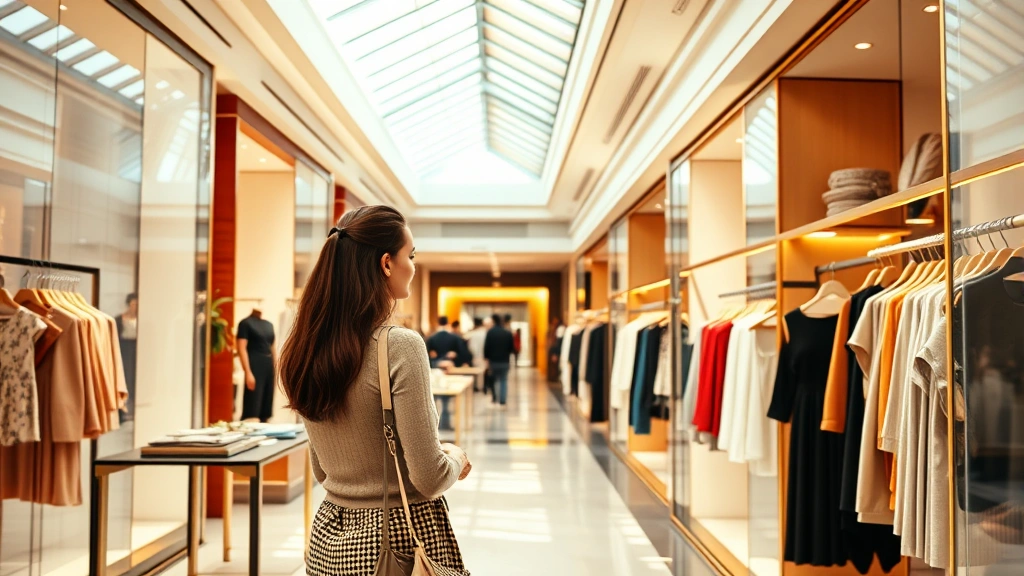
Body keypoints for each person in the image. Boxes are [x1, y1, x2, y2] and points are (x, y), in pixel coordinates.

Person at [279, 206, 471, 576]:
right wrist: (457, 457)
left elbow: (323, 470)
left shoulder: (304, 348)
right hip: (396, 540)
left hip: (328, 539)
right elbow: (429, 478)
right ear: (386, 263)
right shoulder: (400, 346)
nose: (413, 266)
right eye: (410, 255)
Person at [483, 313, 515, 407]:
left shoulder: (490, 332)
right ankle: (502, 401)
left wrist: (487, 358)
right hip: (504, 360)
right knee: (503, 380)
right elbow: (511, 348)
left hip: (493, 360)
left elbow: (486, 347)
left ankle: (494, 398)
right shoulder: (507, 333)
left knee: (493, 379)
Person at [115, 293, 138, 422]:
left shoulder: (141, 319)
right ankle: (123, 410)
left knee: (134, 379)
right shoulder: (120, 319)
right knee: (125, 379)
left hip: (136, 352)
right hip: (124, 352)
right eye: (133, 304)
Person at [464, 317, 487, 391]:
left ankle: (478, 387)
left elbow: (471, 347)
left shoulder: (473, 334)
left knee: (477, 373)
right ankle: (482, 387)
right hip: (484, 356)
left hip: (476, 356)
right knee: (482, 373)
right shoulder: (485, 333)